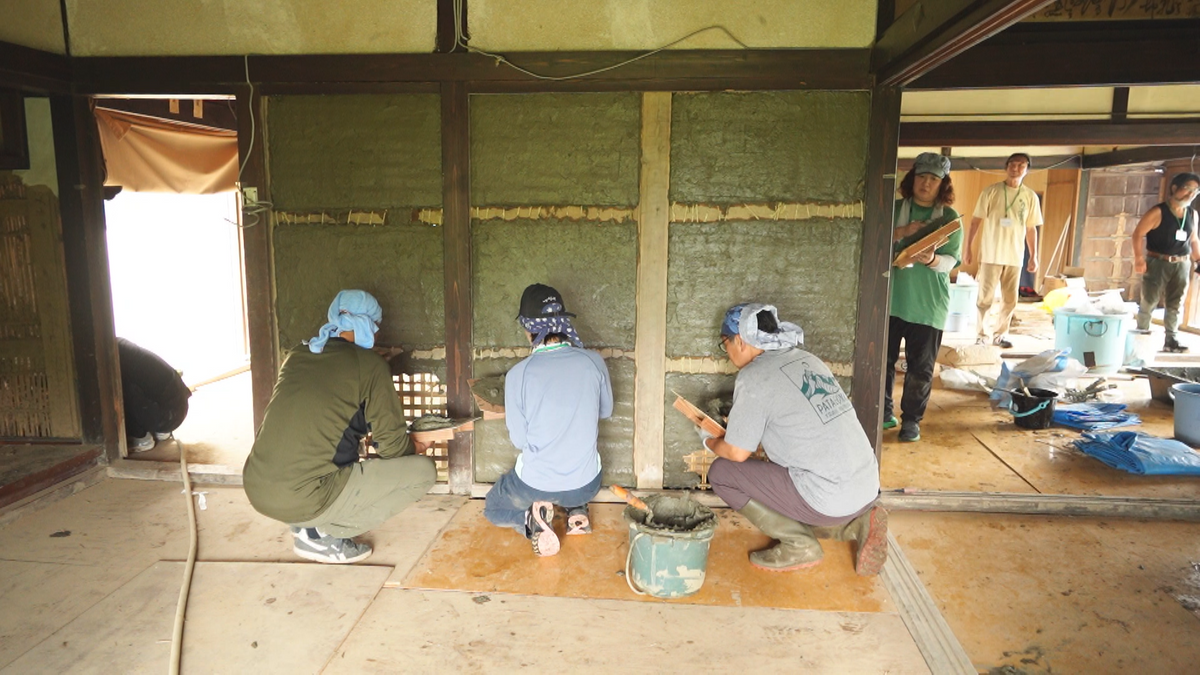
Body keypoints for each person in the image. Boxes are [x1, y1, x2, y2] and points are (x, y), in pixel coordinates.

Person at [243, 290, 436, 564]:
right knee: (423, 472)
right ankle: (321, 534)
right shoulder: (370, 365)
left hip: (257, 487)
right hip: (305, 496)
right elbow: (392, 449)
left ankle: (305, 522)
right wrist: (416, 446)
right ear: (368, 326)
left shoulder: (298, 354)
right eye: (377, 328)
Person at [703, 303, 886, 576]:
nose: (727, 353)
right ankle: (857, 524)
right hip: (867, 484)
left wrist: (708, 440)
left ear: (739, 341)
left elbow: (737, 453)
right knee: (800, 478)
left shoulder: (754, 377)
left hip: (827, 496)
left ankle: (799, 544)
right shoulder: (808, 360)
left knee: (721, 473)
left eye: (724, 344)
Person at [484, 283, 613, 557]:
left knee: (493, 508)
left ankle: (532, 521)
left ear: (529, 328)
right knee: (576, 473)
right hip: (586, 486)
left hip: (534, 486)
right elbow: (605, 411)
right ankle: (577, 513)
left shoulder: (518, 374)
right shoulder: (594, 362)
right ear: (563, 322)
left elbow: (519, 440)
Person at [885, 153, 963, 443]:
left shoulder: (949, 219)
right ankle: (881, 412)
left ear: (942, 185)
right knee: (883, 361)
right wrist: (902, 232)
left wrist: (930, 259)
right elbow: (871, 240)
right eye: (921, 177)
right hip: (891, 301)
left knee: (921, 368)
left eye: (933, 179)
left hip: (928, 306)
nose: (926, 183)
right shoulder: (894, 210)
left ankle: (911, 421)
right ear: (912, 178)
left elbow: (951, 261)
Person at [964, 153, 1043, 349]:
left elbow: (1031, 228)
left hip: (1015, 257)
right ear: (1006, 167)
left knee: (1010, 299)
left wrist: (1034, 256)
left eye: (1021, 165)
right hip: (991, 254)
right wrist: (967, 248)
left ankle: (1000, 334)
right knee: (985, 298)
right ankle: (982, 334)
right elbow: (975, 221)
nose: (1016, 169)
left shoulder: (1030, 196)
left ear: (1027, 169)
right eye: (1012, 165)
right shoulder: (991, 191)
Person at [1132, 172, 1200, 353]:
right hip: (1157, 262)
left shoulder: (1192, 215)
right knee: (1149, 301)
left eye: (1195, 191)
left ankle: (1171, 340)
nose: (1190, 194)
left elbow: (1194, 240)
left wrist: (1198, 259)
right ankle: (1141, 337)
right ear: (1174, 188)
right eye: (1187, 189)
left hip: (1182, 264)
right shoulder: (1158, 211)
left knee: (1176, 303)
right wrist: (1139, 258)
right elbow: (1138, 233)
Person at [117, 338, 192, 452]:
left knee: (113, 389)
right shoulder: (118, 345)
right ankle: (160, 431)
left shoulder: (110, 355)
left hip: (169, 416)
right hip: (178, 407)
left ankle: (140, 438)